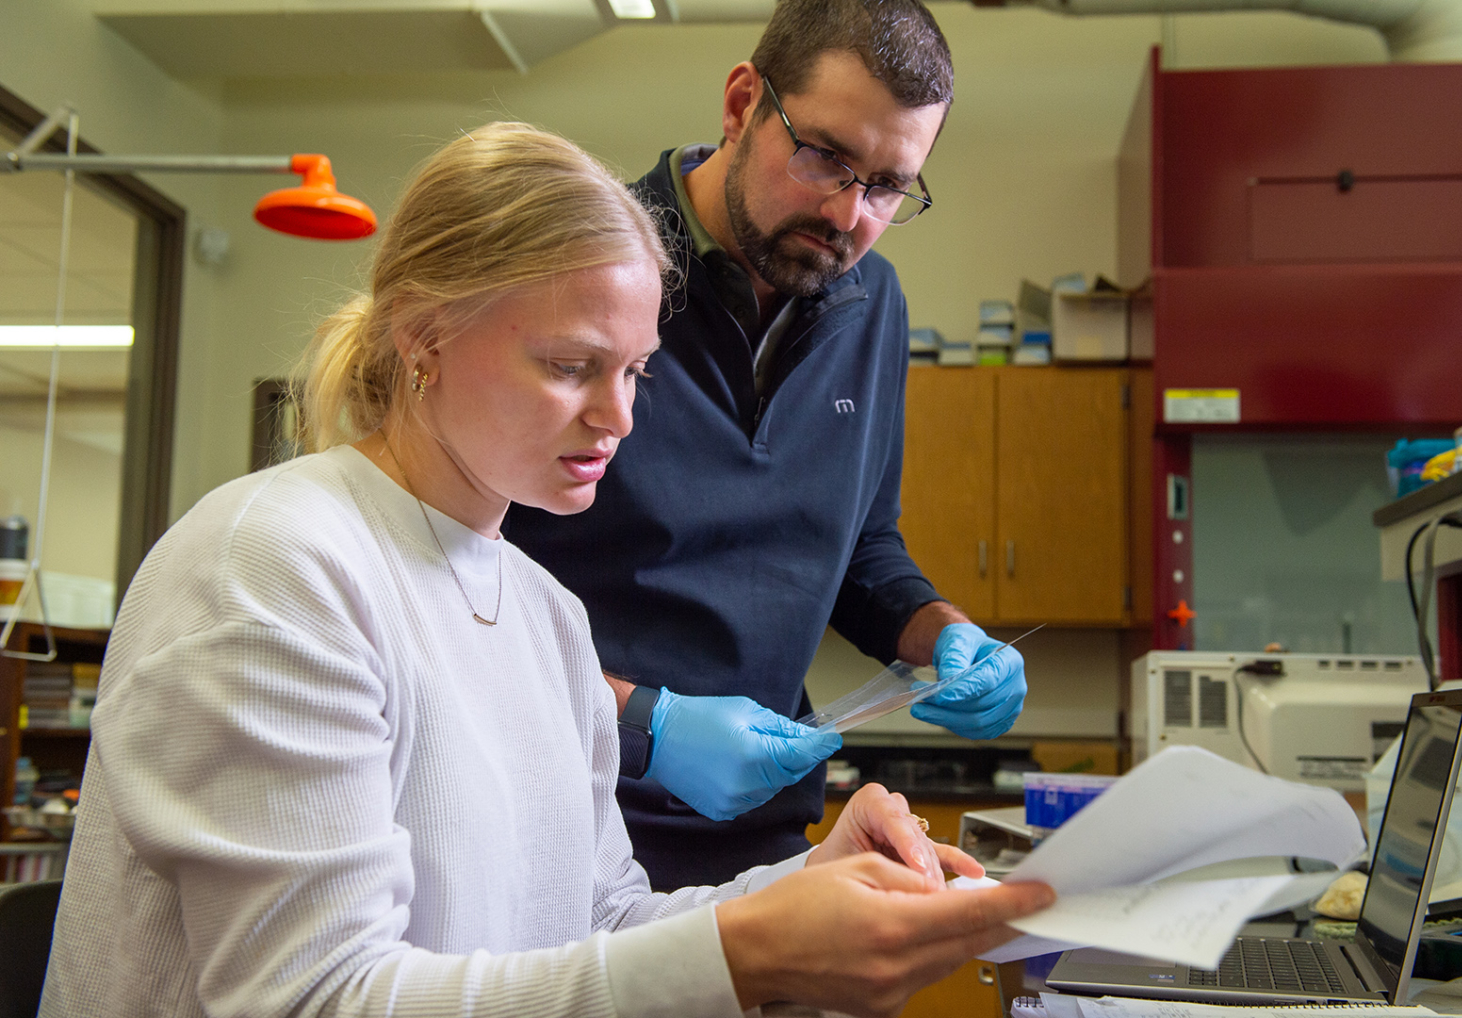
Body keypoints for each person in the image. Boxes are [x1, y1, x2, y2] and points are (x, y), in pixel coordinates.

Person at [39, 121, 1053, 1018]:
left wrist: (793, 891)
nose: (617, 417)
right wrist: (747, 953)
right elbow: (315, 996)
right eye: (571, 365)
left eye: (634, 370)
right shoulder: (278, 566)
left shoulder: (541, 610)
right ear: (424, 334)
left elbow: (599, 918)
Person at [503, 0, 1029, 890]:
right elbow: (455, 598)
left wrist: (941, 634)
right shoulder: (586, 267)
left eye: (889, 185)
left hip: (768, 835)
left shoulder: (875, 306)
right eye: (825, 155)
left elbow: (861, 547)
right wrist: (645, 727)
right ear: (743, 102)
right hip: (558, 822)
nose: (848, 213)